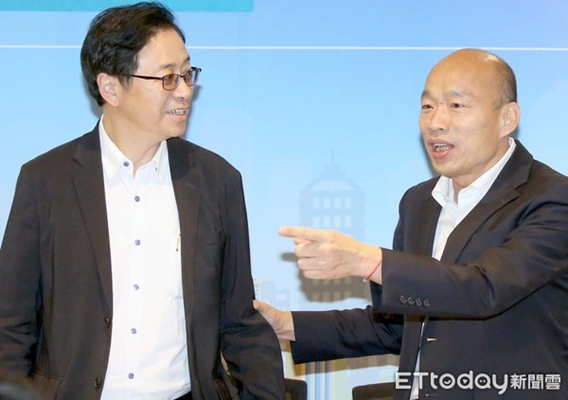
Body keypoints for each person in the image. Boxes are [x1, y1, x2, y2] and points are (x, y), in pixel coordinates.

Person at [0, 2, 284, 399]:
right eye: (167, 78)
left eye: (187, 74)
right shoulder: (46, 181)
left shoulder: (217, 181)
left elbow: (239, 321)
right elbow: (10, 329)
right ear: (110, 87)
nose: (184, 91)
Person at [255, 48, 568, 399]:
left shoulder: (553, 198)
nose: (436, 122)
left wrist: (367, 261)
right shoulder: (419, 202)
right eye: (427, 106)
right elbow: (400, 326)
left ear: (507, 118)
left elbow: (483, 289)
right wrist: (285, 325)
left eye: (457, 105)